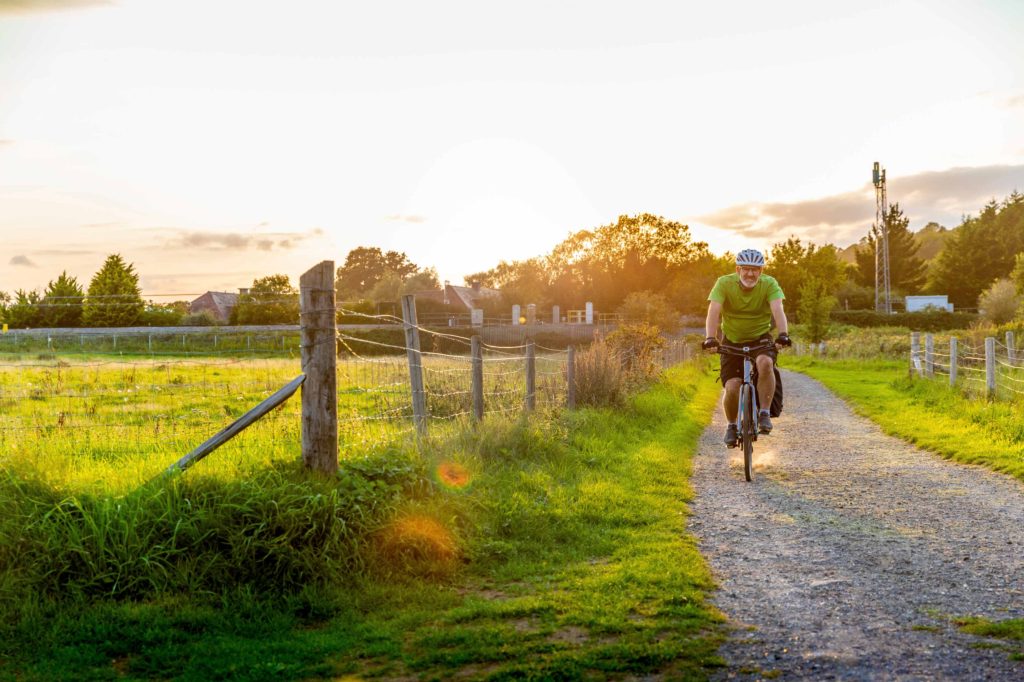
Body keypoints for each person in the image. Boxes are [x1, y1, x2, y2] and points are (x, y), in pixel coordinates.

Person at [701, 249, 791, 447]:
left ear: (761, 271)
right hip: (731, 341)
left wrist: (783, 334)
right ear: (738, 269)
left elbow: (778, 309)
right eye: (746, 269)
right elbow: (713, 311)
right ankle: (732, 426)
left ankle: (764, 413)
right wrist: (710, 338)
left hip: (760, 339)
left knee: (765, 363)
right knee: (732, 387)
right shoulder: (724, 283)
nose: (750, 274)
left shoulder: (769, 284)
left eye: (755, 270)